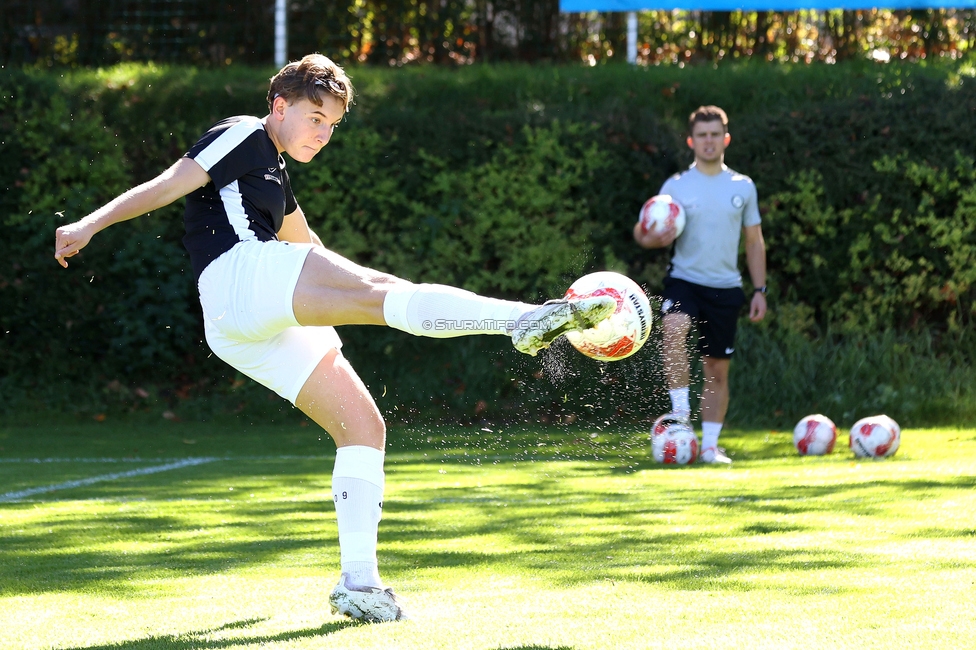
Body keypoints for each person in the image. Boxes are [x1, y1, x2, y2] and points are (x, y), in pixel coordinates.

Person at [53, 53, 616, 623]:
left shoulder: (275, 174)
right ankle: (521, 320)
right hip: (238, 276)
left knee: (364, 426)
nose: (322, 133)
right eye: (314, 116)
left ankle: (359, 585)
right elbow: (171, 183)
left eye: (332, 124)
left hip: (238, 325)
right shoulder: (245, 133)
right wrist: (88, 224)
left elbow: (311, 246)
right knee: (379, 291)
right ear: (279, 105)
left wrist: (354, 289)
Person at [633, 105, 767, 465]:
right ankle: (680, 415)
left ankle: (709, 446)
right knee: (674, 327)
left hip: (725, 287)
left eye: (714, 135)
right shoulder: (675, 186)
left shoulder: (743, 186)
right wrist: (649, 236)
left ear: (725, 139)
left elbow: (754, 241)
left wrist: (760, 290)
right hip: (684, 280)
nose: (708, 141)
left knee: (716, 370)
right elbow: (645, 231)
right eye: (702, 135)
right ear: (692, 141)